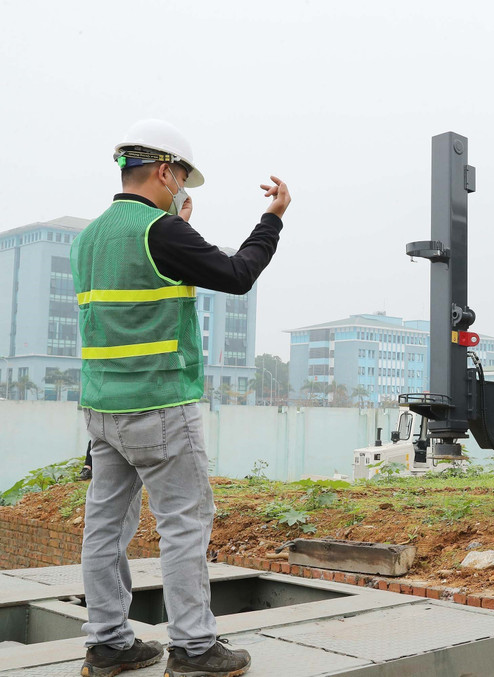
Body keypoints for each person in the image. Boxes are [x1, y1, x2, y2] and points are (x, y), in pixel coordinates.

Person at [72, 119, 290, 677]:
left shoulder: (89, 238)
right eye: (183, 180)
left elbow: (140, 285)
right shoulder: (161, 232)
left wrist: (178, 227)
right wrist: (272, 219)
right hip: (161, 406)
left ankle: (107, 645)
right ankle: (194, 648)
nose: (182, 190)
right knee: (184, 525)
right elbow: (238, 273)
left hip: (102, 412)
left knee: (105, 529)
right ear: (166, 172)